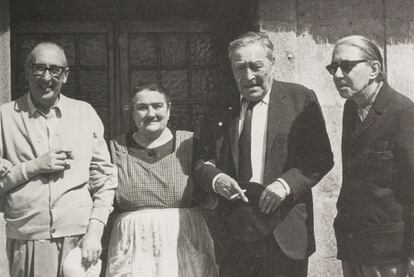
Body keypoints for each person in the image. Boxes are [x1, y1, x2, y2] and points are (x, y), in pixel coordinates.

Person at [194, 31, 334, 277]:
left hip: (285, 232)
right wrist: (217, 180)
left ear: (272, 62)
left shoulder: (300, 99)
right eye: (239, 68)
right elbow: (202, 160)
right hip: (235, 233)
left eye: (256, 66)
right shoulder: (220, 105)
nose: (248, 76)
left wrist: (285, 184)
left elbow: (320, 158)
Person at [0, 42, 117, 276]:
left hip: (79, 238)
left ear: (65, 75)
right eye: (39, 68)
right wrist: (34, 167)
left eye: (55, 70)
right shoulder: (4, 117)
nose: (46, 77)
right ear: (26, 72)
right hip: (29, 238)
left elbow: (105, 178)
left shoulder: (84, 113)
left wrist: (95, 229)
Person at [105, 83, 218, 277]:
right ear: (131, 112)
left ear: (169, 108)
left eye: (157, 105)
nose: (151, 113)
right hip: (133, 244)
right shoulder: (115, 148)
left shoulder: (190, 144)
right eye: (142, 107)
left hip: (183, 241)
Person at [327, 35, 414, 277]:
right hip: (354, 246)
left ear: (374, 68)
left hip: (390, 254)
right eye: (333, 67)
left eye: (346, 66)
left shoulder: (403, 113)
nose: (337, 75)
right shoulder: (351, 108)